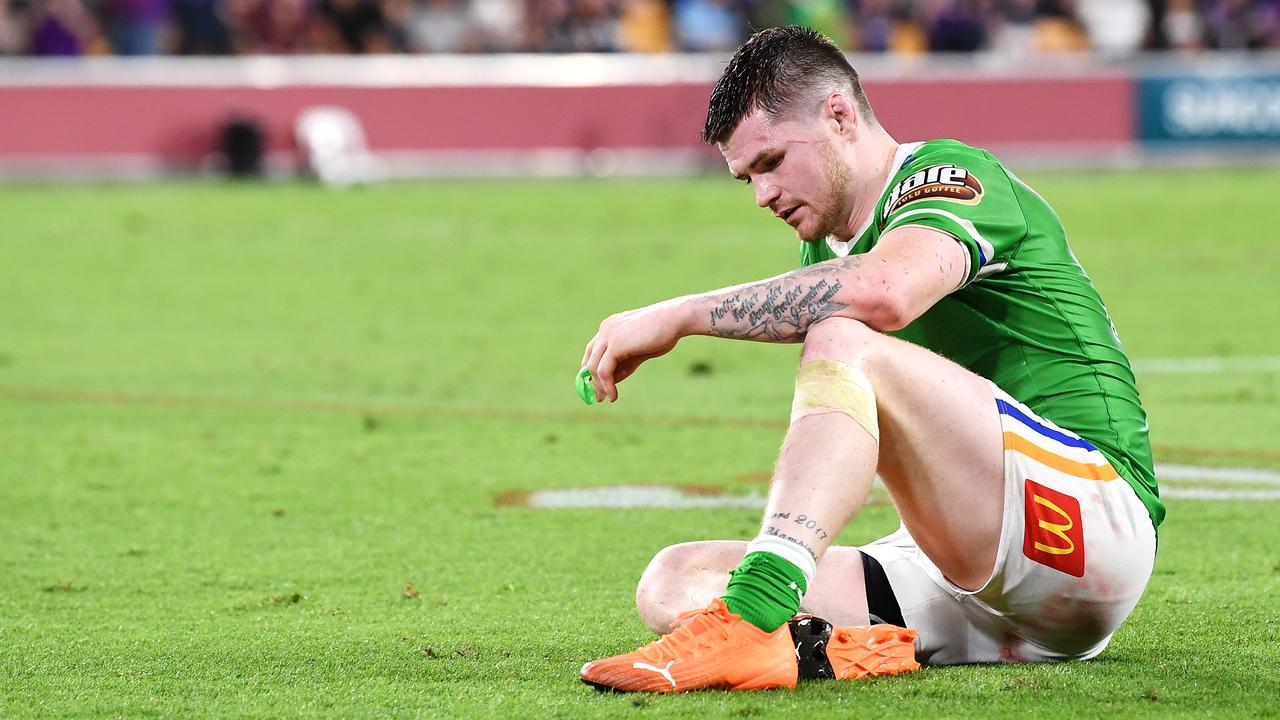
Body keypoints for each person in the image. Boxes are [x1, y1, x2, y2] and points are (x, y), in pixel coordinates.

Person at [577, 25, 1163, 693]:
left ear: (839, 115)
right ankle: (842, 650)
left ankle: (754, 614)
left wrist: (678, 316)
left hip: (1087, 525)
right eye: (747, 178)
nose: (762, 196)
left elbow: (885, 291)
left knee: (844, 337)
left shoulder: (951, 175)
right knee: (673, 580)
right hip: (976, 582)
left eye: (770, 163)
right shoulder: (827, 248)